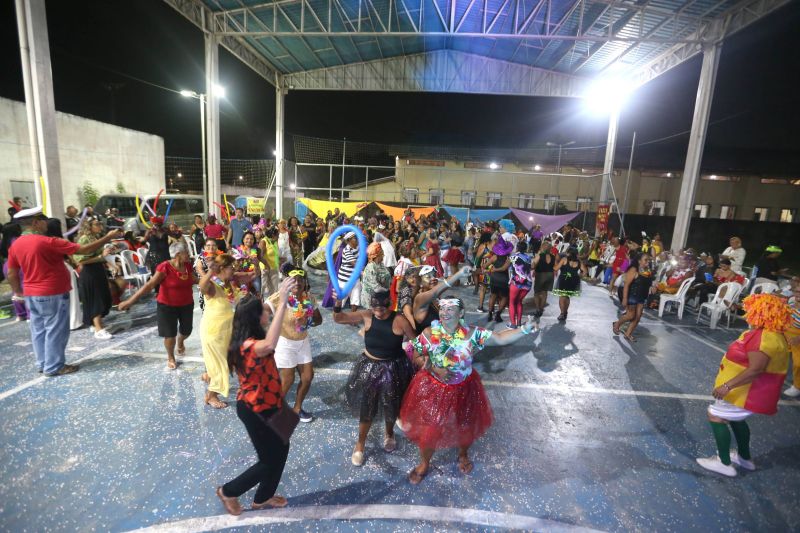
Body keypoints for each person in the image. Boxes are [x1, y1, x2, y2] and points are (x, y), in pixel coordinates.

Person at [402, 298, 539, 484]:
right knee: (430, 429)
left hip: (465, 388)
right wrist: (433, 368)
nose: (444, 312)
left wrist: (525, 329)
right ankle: (425, 463)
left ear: (461, 314)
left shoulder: (473, 334)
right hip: (435, 389)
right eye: (442, 308)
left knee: (465, 425)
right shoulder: (428, 333)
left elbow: (500, 338)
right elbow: (413, 352)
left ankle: (463, 454)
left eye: (450, 309)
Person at [7, 207, 122, 376]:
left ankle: (43, 363)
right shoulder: (48, 241)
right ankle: (54, 366)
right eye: (43, 220)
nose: (46, 223)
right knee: (55, 330)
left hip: (31, 294)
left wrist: (18, 292)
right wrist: (107, 237)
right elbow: (83, 250)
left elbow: (11, 273)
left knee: (39, 330)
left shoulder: (16, 244)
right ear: (35, 222)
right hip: (52, 292)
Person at [216, 278, 297, 515]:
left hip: (273, 402)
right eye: (262, 311)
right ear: (254, 317)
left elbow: (268, 330)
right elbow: (271, 343)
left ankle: (263, 497)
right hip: (255, 409)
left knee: (283, 447)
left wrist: (280, 298)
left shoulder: (251, 336)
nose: (266, 312)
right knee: (269, 460)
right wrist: (282, 303)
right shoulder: (249, 345)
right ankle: (229, 491)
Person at [696, 293, 791, 477]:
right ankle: (744, 458)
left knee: (715, 415)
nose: (748, 313)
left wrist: (727, 386)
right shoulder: (774, 335)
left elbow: (755, 370)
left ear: (760, 313)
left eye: (752, 310)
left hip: (742, 391)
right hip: (747, 392)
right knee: (736, 419)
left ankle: (723, 463)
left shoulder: (762, 337)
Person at [333, 290, 416, 465]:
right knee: (367, 407)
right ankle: (360, 444)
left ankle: (389, 433)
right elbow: (339, 319)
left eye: (383, 309)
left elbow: (416, 341)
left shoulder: (399, 320)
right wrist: (338, 304)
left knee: (391, 403)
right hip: (370, 367)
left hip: (394, 367)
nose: (379, 312)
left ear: (390, 305)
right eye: (376, 309)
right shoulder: (367, 315)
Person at [119, 242, 196, 370]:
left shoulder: (187, 265)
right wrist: (129, 302)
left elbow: (193, 279)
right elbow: (149, 285)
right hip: (167, 306)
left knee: (187, 330)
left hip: (186, 303)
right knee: (169, 335)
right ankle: (171, 356)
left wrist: (212, 279)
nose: (188, 253)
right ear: (178, 254)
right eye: (186, 251)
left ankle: (181, 341)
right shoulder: (164, 267)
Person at [264, 265, 322, 423]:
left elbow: (319, 319)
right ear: (286, 281)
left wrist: (307, 320)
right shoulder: (278, 297)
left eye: (300, 280)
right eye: (293, 280)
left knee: (308, 377)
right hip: (285, 343)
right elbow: (263, 311)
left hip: (303, 342)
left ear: (304, 282)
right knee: (288, 380)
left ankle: (297, 408)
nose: (297, 283)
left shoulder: (308, 298)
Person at [198, 253, 245, 408]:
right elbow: (202, 286)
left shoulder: (228, 283)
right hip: (214, 331)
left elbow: (252, 275)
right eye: (231, 267)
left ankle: (210, 376)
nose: (234, 269)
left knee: (227, 362)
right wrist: (211, 271)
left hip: (227, 331)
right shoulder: (213, 285)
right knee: (222, 366)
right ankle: (211, 396)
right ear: (223, 268)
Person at [73, 219, 115, 339]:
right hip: (89, 272)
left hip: (97, 270)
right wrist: (101, 256)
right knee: (96, 300)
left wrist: (106, 255)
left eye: (100, 223)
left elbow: (100, 255)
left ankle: (95, 324)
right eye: (97, 224)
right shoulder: (84, 239)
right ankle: (98, 329)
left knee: (102, 297)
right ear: (89, 226)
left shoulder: (95, 237)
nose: (100, 226)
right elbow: (80, 260)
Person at [613, 252, 654, 342]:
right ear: (639, 261)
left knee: (638, 316)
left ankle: (628, 333)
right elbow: (626, 284)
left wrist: (653, 287)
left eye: (649, 260)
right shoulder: (634, 269)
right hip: (632, 295)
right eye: (645, 260)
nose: (648, 262)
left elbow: (648, 283)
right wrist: (624, 299)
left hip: (641, 296)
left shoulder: (648, 270)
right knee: (631, 315)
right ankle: (617, 324)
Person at [486, 236, 513, 323]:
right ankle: (498, 315)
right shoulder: (508, 259)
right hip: (504, 280)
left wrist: (491, 270)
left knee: (493, 296)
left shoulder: (494, 257)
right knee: (504, 297)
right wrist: (495, 269)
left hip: (494, 279)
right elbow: (504, 268)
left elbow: (484, 266)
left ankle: (490, 314)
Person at [507, 240, 533, 329]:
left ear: (517, 247)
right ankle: (519, 323)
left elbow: (508, 268)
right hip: (527, 283)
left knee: (511, 302)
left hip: (516, 283)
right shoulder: (529, 257)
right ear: (526, 248)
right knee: (519, 302)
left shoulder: (513, 256)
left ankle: (513, 324)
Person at [553, 249, 584, 322]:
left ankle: (562, 313)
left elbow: (556, 268)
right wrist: (579, 276)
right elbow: (585, 271)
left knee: (562, 297)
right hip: (574, 281)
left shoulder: (564, 259)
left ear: (569, 253)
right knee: (567, 296)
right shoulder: (579, 262)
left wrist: (555, 262)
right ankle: (565, 312)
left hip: (564, 280)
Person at [360, 242, 392, 309]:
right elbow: (376, 288)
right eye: (382, 253)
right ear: (376, 254)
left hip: (381, 298)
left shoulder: (381, 264)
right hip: (373, 301)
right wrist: (388, 291)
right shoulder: (371, 267)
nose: (383, 255)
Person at [336, 232, 362, 311]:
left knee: (356, 299)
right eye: (355, 238)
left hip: (355, 279)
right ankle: (337, 315)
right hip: (345, 279)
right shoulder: (346, 250)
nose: (357, 239)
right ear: (348, 241)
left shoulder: (359, 248)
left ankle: (352, 318)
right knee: (340, 300)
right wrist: (364, 271)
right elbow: (355, 264)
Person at [782, 286, 800, 397]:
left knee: (798, 364)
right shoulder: (791, 305)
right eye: (797, 291)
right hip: (785, 336)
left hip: (797, 339)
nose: (798, 294)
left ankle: (797, 386)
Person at [259, 227, 280, 298]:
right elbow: (260, 256)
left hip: (274, 268)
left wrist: (280, 259)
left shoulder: (275, 242)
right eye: (277, 235)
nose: (278, 237)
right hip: (265, 269)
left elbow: (274, 254)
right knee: (263, 288)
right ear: (273, 235)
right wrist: (267, 265)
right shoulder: (264, 242)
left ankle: (273, 304)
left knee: (274, 289)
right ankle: (261, 303)